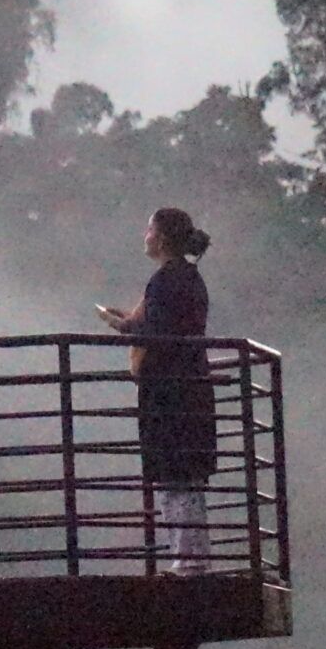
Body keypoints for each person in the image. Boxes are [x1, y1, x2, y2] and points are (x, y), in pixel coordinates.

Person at [96, 208, 217, 573]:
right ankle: (189, 561)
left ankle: (190, 563)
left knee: (176, 478)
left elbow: (158, 335)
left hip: (173, 396)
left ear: (162, 237)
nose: (144, 233)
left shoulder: (167, 281)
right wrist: (129, 324)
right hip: (187, 392)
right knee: (182, 480)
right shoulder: (185, 278)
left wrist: (127, 329)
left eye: (149, 227)